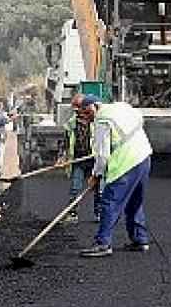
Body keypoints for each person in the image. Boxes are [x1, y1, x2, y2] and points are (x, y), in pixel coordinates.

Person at [77, 95, 153, 258]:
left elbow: (102, 155)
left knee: (109, 202)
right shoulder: (121, 107)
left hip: (125, 163)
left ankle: (103, 243)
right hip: (144, 157)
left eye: (87, 113)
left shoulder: (102, 120)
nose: (87, 118)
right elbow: (140, 119)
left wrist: (96, 175)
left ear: (93, 107)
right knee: (134, 201)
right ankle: (140, 239)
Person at [61, 94, 101, 225]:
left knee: (98, 188)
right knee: (75, 188)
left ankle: (99, 213)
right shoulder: (72, 123)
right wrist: (61, 156)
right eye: (76, 110)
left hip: (94, 159)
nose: (77, 112)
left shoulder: (96, 122)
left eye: (79, 109)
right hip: (78, 160)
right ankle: (73, 214)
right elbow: (66, 141)